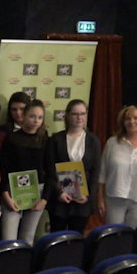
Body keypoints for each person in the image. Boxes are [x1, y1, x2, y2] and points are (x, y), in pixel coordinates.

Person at [98, 105, 137, 226]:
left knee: (134, 235)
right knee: (114, 234)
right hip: (114, 198)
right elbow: (102, 174)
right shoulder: (112, 143)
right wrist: (100, 198)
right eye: (128, 118)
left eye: (136, 118)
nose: (132, 121)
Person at [44, 100, 101, 233]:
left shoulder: (93, 140)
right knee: (57, 238)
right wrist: (59, 192)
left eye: (83, 113)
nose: (79, 117)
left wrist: (88, 196)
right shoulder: (56, 139)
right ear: (68, 115)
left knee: (76, 238)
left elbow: (95, 171)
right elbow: (50, 169)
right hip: (60, 200)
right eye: (75, 114)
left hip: (82, 201)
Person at [0, 99, 49, 243]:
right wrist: (5, 195)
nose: (36, 120)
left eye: (40, 117)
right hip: (12, 192)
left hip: (37, 193)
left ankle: (24, 260)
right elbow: (3, 168)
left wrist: (44, 200)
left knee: (27, 238)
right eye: (32, 116)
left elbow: (50, 172)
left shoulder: (45, 140)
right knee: (8, 239)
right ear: (24, 115)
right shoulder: (11, 138)